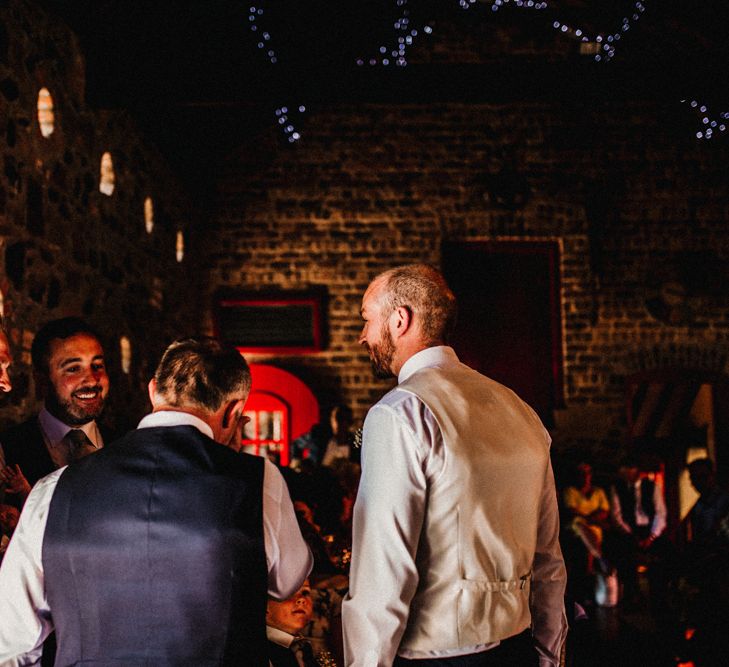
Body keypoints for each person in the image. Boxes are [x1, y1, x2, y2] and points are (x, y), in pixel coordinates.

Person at [0, 337, 312, 666]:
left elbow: (12, 641)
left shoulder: (54, 489)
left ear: (152, 391)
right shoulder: (256, 480)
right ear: (235, 410)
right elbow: (287, 581)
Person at [342, 264, 567, 666]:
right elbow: (548, 559)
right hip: (517, 650)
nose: (363, 336)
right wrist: (549, 656)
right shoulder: (520, 410)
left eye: (366, 320)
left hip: (436, 656)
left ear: (399, 319)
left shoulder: (401, 413)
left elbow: (383, 573)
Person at [0, 317, 111, 507]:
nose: (92, 381)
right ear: (41, 379)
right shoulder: (9, 448)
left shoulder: (128, 443)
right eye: (73, 369)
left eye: (97, 366)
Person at [608, 457, 669, 607]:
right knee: (623, 554)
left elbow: (660, 513)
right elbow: (616, 516)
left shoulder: (652, 486)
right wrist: (630, 534)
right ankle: (632, 594)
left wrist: (652, 536)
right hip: (628, 531)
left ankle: (659, 595)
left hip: (649, 530)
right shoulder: (617, 488)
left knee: (663, 554)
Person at [267, 579, 319, 667]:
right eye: (289, 593)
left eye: (305, 592)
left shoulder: (305, 649)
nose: (302, 599)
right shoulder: (252, 652)